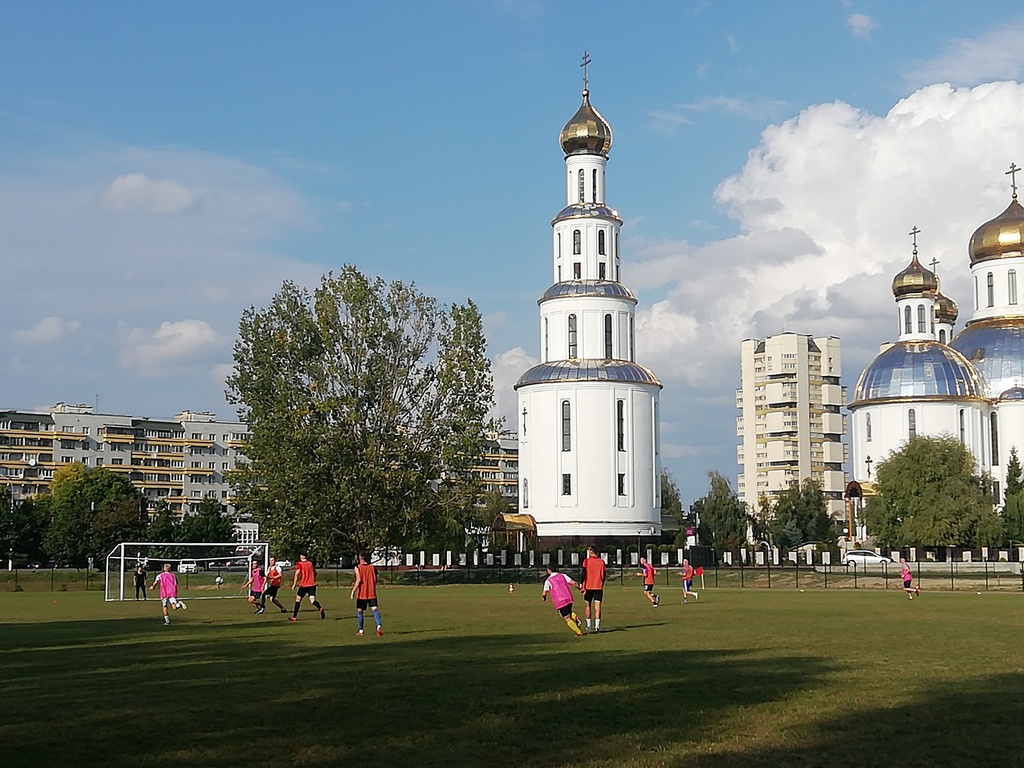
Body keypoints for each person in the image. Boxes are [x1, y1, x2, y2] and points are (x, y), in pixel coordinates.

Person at [542, 563, 583, 636]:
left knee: (567, 618)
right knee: (569, 612)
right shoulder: (563, 575)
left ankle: (579, 632)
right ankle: (575, 617)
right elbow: (573, 583)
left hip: (560, 601)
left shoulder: (548, 580)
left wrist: (544, 597)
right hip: (568, 598)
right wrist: (580, 588)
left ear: (549, 570)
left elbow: (544, 592)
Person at [349, 552, 383, 637]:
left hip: (362, 594)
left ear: (361, 558)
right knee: (375, 609)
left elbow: (358, 580)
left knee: (360, 611)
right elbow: (376, 579)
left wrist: (353, 591)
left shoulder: (358, 568)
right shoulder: (372, 568)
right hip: (372, 593)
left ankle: (361, 630)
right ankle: (378, 625)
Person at [289, 553, 326, 621]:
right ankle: (320, 608)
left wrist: (294, 584)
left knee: (298, 600)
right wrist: (312, 579)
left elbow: (297, 574)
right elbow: (315, 573)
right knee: (312, 600)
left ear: (301, 557)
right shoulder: (310, 563)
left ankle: (294, 617)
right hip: (312, 585)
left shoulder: (300, 564)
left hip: (304, 585)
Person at [579, 545, 606, 632]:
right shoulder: (601, 562)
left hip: (588, 586)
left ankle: (588, 625)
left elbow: (583, 573)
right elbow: (604, 575)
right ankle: (597, 626)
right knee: (597, 607)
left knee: (588, 605)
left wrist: (580, 583)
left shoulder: (587, 561)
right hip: (598, 586)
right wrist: (601, 583)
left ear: (591, 552)